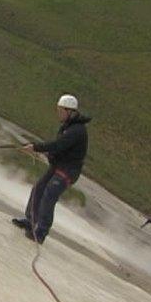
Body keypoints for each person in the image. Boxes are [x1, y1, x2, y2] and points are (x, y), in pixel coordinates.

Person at [11, 94, 91, 244]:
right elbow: (59, 149)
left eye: (61, 111)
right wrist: (48, 154)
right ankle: (31, 221)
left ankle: (40, 232)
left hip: (69, 171)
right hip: (59, 166)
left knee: (49, 194)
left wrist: (35, 147)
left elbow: (58, 145)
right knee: (38, 189)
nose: (58, 113)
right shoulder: (67, 127)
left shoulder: (77, 131)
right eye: (58, 110)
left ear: (70, 112)